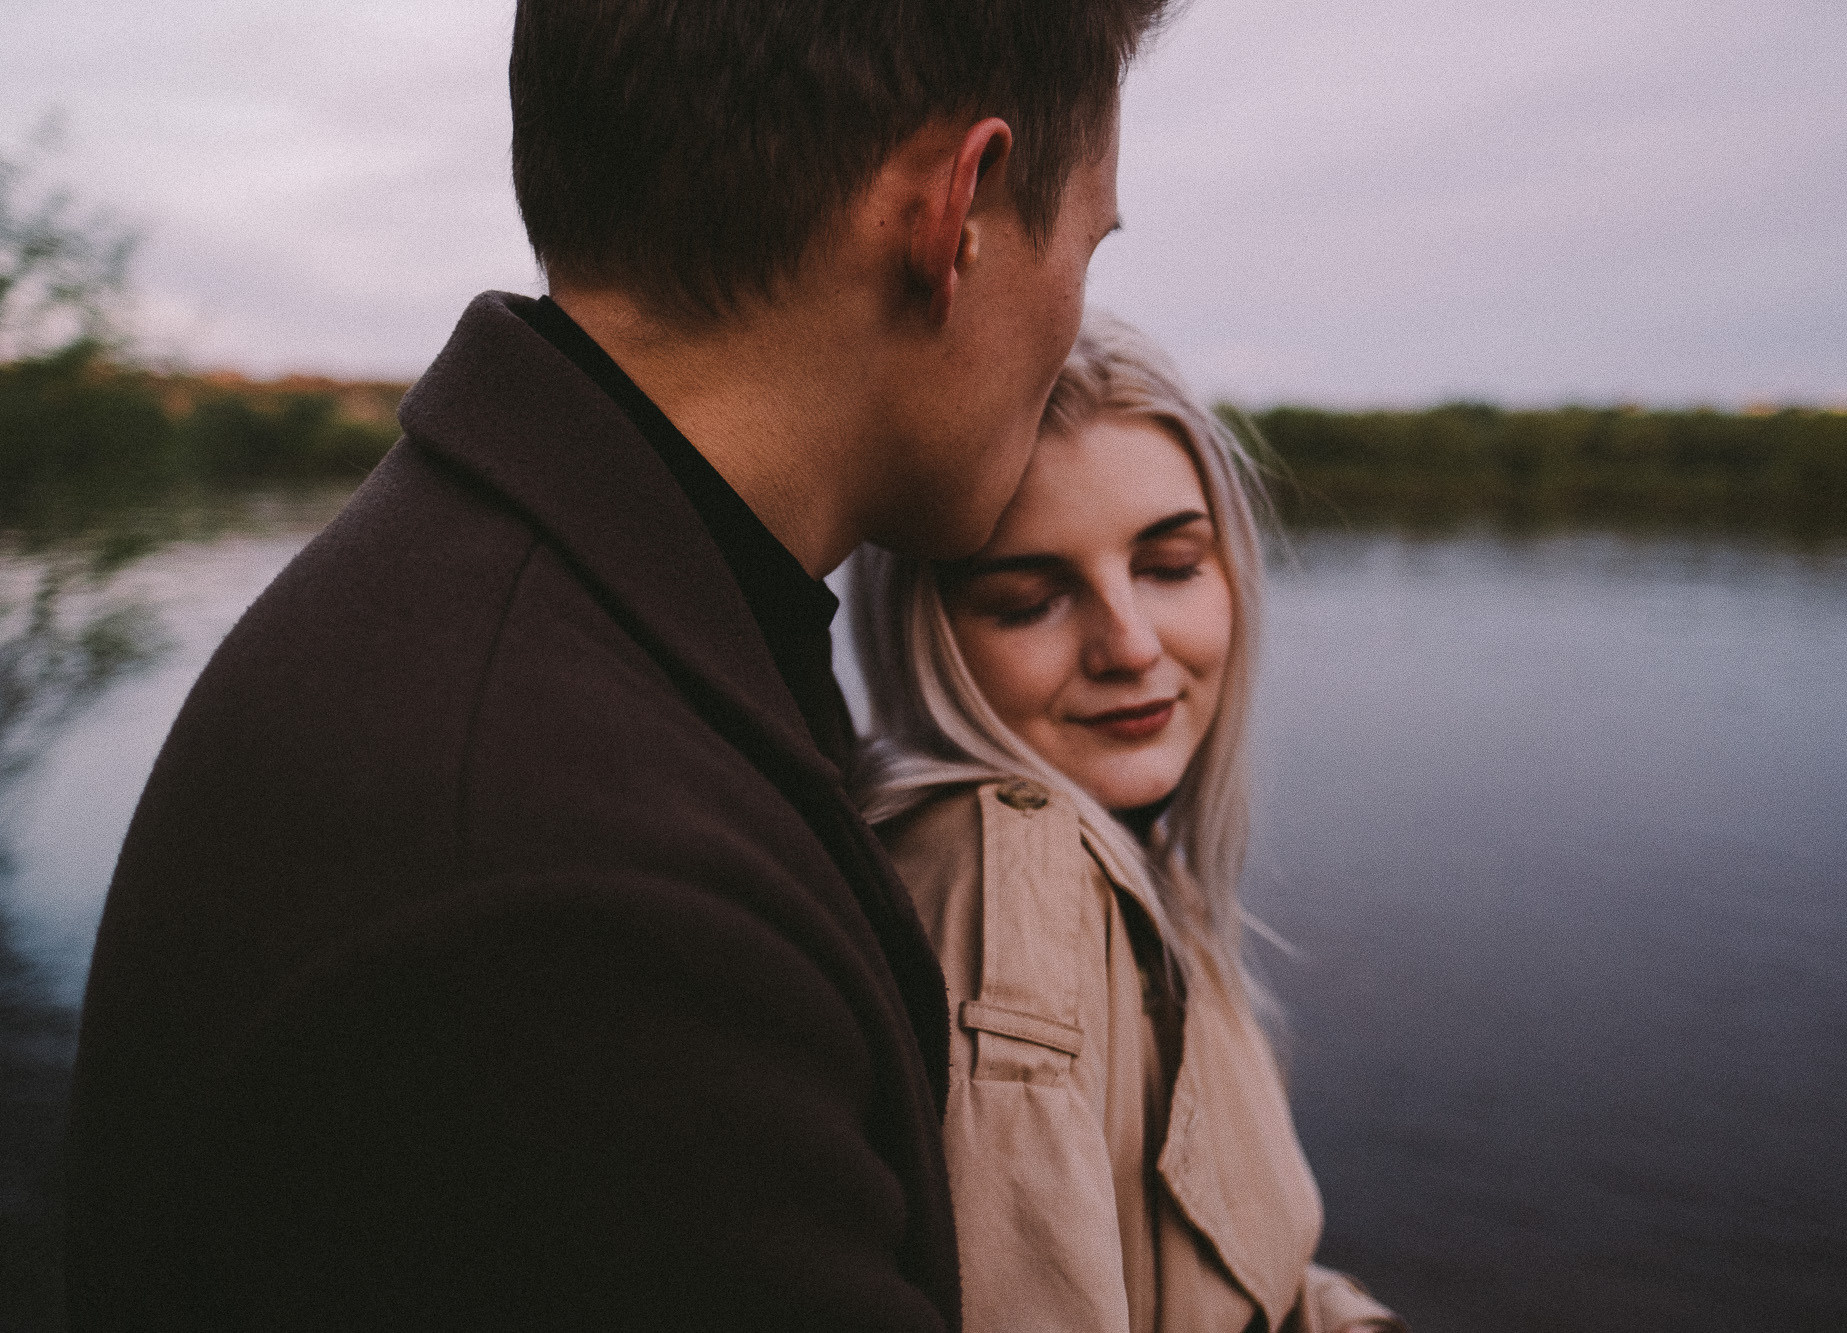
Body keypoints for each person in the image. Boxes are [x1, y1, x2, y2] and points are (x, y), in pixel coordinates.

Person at [63, 3, 1170, 1327]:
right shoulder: (578, 909)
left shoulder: (549, 615)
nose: (1073, 323)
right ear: (958, 212)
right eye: (1086, 243)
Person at [850, 312, 1405, 1333]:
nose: (1130, 644)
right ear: (924, 636)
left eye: (1169, 565)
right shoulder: (1014, 871)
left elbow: (1247, 1279)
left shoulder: (1131, 865)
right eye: (1027, 599)